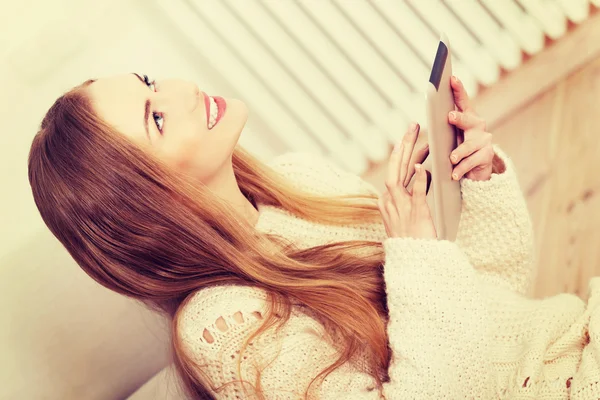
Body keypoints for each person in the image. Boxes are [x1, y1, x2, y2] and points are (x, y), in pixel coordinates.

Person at [27, 71, 600, 399]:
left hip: (568, 341)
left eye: (151, 80)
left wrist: (476, 185)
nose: (180, 90)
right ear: (146, 202)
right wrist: (418, 256)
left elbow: (498, 298)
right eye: (156, 116)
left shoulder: (300, 179)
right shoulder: (223, 329)